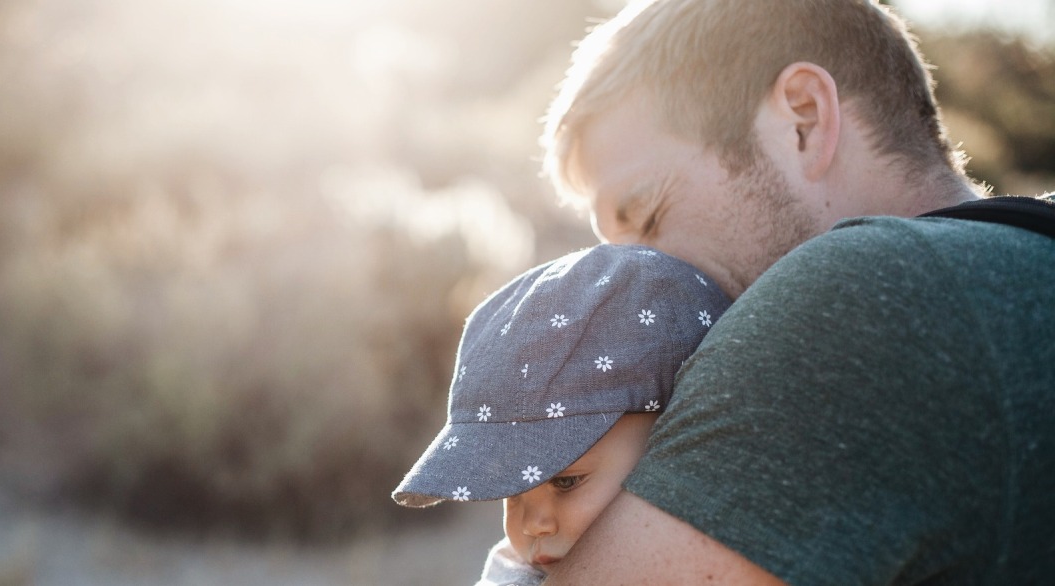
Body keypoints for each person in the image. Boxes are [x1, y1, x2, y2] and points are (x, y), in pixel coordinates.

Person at [534, 0, 1055, 584]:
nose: (631, 280)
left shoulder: (853, 298)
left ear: (803, 119)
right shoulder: (1026, 258)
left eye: (648, 216)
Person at [391, 244, 730, 585]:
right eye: (513, 492)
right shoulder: (513, 576)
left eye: (566, 482)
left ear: (676, 434)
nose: (532, 525)